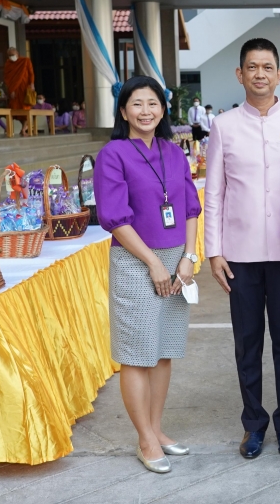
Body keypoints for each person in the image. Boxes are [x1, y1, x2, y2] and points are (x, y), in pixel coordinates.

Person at [205, 38, 280, 460]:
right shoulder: (224, 126)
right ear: (240, 74)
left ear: (279, 73)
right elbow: (214, 192)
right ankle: (254, 425)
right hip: (240, 255)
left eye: (267, 66)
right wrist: (213, 251)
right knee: (247, 342)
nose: (259, 74)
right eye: (251, 67)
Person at [93, 75, 201, 474]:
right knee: (137, 355)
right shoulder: (113, 154)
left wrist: (188, 258)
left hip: (176, 260)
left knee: (163, 350)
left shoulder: (174, 152)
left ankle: (157, 428)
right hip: (136, 261)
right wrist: (153, 263)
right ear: (123, 111)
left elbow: (190, 207)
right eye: (136, 104)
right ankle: (144, 438)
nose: (145, 111)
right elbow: (113, 218)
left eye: (152, 103)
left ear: (163, 109)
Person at [3, 47, 34, 134]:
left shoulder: (25, 61)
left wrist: (32, 83)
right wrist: (11, 90)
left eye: (12, 55)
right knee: (16, 110)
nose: (11, 57)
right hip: (14, 90)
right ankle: (23, 127)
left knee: (25, 109)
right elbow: (7, 78)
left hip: (24, 89)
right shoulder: (8, 64)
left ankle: (24, 128)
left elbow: (31, 72)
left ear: (17, 53)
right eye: (9, 55)